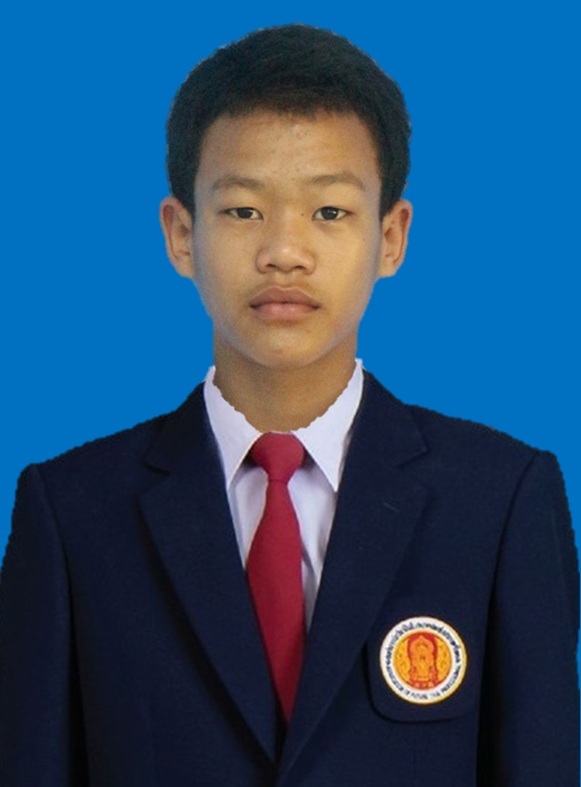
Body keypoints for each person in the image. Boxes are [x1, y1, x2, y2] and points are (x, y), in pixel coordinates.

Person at [0, 23, 578, 787]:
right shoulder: (72, 512)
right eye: (243, 211)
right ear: (181, 234)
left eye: (329, 212)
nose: (283, 252)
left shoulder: (500, 499)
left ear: (391, 236)